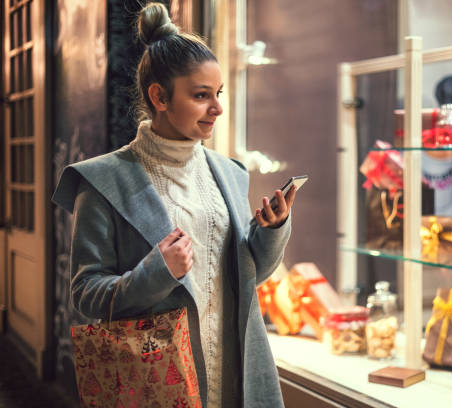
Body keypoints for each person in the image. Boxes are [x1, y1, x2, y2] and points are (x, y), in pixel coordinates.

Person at [51, 3, 295, 407]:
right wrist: (156, 271)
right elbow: (87, 294)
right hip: (156, 381)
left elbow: (248, 277)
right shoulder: (103, 181)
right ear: (159, 97)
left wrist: (270, 232)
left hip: (235, 372)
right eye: (201, 96)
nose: (217, 108)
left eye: (218, 94)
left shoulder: (230, 172)